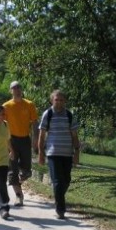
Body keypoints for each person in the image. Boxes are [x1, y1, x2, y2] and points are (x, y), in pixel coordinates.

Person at [38, 90, 80, 219]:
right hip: (52, 152)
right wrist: (40, 153)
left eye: (61, 100)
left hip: (67, 153)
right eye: (56, 99)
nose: (59, 102)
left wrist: (77, 152)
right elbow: (42, 134)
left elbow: (74, 135)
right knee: (57, 181)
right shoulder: (48, 114)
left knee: (66, 180)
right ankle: (60, 209)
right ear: (52, 100)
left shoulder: (69, 115)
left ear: (65, 101)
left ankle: (58, 196)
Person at [3, 81, 39, 207]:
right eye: (14, 88)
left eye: (19, 87)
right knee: (12, 168)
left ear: (21, 90)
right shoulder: (6, 106)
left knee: (27, 171)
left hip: (25, 139)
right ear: (10, 91)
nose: (17, 90)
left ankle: (18, 180)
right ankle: (19, 196)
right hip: (11, 140)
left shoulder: (29, 104)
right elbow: (1, 123)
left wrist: (36, 139)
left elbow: (35, 122)